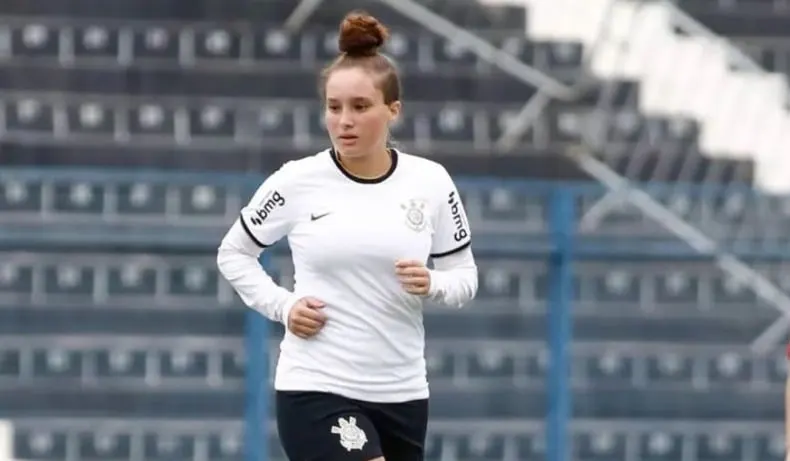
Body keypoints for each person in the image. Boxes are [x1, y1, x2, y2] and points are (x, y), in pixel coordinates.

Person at [217, 10, 478, 461]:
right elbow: (234, 253)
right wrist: (285, 305)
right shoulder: (297, 180)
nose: (344, 121)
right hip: (317, 386)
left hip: (403, 390)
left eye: (360, 107)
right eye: (334, 108)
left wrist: (433, 283)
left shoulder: (431, 182)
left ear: (392, 110)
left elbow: (465, 276)